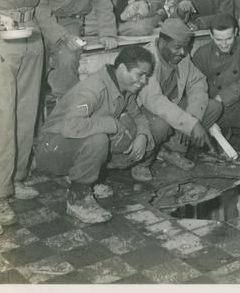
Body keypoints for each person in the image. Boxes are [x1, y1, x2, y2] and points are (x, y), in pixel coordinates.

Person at [35, 46, 156, 224]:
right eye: (140, 75)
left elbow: (138, 116)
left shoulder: (125, 88)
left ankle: (86, 179)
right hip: (51, 148)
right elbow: (71, 126)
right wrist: (113, 123)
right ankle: (78, 198)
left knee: (130, 128)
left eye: (147, 76)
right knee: (98, 139)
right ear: (122, 69)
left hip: (73, 143)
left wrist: (142, 136)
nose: (144, 81)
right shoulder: (93, 88)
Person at [0, 0, 45, 229]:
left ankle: (18, 176)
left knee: (27, 112)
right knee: (2, 117)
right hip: (2, 40)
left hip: (31, 35)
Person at [138, 18, 222, 170]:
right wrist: (189, 123)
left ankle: (172, 151)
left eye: (186, 47)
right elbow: (154, 101)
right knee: (160, 125)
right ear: (162, 43)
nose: (183, 53)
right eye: (177, 47)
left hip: (171, 108)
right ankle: (141, 163)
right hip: (146, 113)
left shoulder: (180, 55)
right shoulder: (143, 60)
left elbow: (197, 83)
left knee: (214, 107)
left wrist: (193, 115)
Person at [193, 14, 240, 165]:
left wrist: (222, 97)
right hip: (216, 111)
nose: (224, 44)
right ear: (210, 35)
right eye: (218, 39)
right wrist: (206, 112)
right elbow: (195, 88)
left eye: (228, 38)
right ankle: (220, 131)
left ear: (235, 32)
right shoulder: (201, 54)